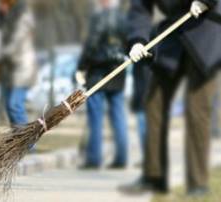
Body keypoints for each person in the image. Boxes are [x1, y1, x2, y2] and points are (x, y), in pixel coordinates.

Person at [127, 0, 221, 195]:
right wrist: (137, 40)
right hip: (174, 32)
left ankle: (198, 184)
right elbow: (140, 8)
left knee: (197, 108)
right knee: (154, 101)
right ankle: (154, 176)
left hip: (207, 27)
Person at [75, 0, 129, 169]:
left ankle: (94, 158)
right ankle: (121, 158)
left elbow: (91, 44)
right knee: (118, 115)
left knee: (95, 117)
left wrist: (82, 66)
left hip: (98, 73)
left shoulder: (99, 18)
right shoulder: (123, 19)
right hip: (118, 71)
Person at [0, 0, 37, 125]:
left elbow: (14, 43)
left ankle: (28, 143)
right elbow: (0, 32)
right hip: (11, 70)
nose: (0, 7)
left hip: (23, 69)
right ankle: (18, 142)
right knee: (9, 109)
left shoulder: (23, 17)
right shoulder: (9, 19)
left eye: (3, 4)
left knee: (14, 105)